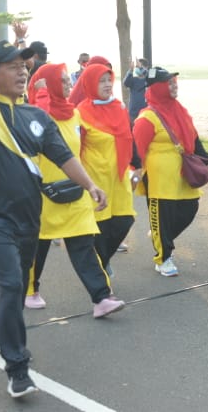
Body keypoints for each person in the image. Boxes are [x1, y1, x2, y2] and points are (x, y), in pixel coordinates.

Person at [0, 0, 111, 400]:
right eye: (10, 67)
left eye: (23, 67)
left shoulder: (37, 117)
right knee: (9, 284)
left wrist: (90, 184)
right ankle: (17, 366)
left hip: (29, 217)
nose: (21, 73)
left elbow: (63, 155)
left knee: (16, 285)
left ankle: (4, 337)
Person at [25, 62, 115, 305]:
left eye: (68, 80)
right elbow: (39, 127)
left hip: (75, 190)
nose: (69, 85)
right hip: (43, 195)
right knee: (37, 248)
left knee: (84, 243)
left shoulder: (73, 113)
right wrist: (42, 94)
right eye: (62, 81)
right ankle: (29, 291)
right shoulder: (32, 112)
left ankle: (102, 298)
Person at [134, 67, 208, 277]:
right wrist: (134, 175)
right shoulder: (147, 118)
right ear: (157, 87)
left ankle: (161, 236)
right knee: (162, 216)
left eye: (174, 81)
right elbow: (137, 149)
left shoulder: (180, 110)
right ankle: (163, 257)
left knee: (190, 209)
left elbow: (194, 139)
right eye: (168, 83)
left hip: (182, 174)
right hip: (159, 178)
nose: (174, 85)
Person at [76, 62, 137, 275]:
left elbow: (129, 138)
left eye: (109, 79)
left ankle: (103, 258)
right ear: (90, 83)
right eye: (101, 81)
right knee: (101, 227)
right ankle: (100, 266)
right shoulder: (81, 112)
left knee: (124, 220)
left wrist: (135, 167)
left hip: (120, 176)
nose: (107, 84)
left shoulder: (119, 107)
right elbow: (74, 149)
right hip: (95, 178)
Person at [122, 58, 150, 123]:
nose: (138, 68)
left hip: (146, 113)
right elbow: (126, 83)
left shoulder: (148, 79)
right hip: (133, 113)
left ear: (146, 67)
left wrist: (141, 68)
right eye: (137, 67)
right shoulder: (134, 79)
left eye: (140, 66)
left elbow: (148, 75)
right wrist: (131, 70)